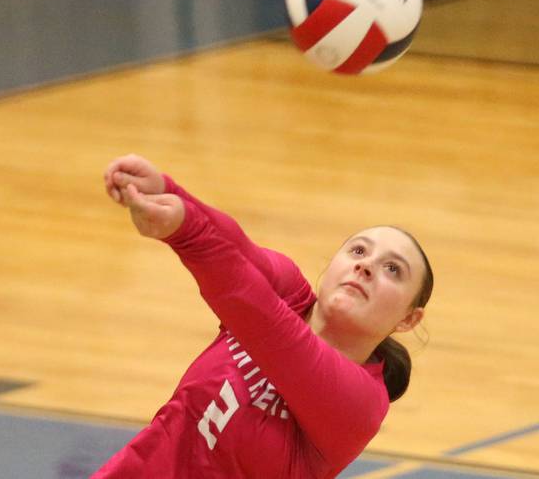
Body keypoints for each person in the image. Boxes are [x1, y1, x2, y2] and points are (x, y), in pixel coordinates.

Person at [93, 154, 434, 479]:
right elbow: (235, 245)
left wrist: (185, 229)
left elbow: (262, 320)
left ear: (408, 320)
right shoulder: (288, 292)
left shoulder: (360, 403)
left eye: (393, 269)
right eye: (358, 251)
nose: (366, 266)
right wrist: (164, 192)